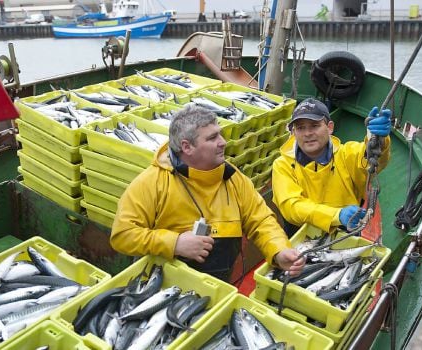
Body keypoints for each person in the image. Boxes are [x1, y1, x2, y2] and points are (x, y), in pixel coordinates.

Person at [111, 105, 305, 281]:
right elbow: (123, 235)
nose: (223, 142)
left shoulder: (233, 177)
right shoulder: (151, 182)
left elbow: (261, 220)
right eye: (212, 138)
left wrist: (279, 250)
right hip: (158, 287)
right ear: (187, 147)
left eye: (219, 134)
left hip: (216, 285)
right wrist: (174, 243)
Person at [272, 98, 392, 236]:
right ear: (293, 132)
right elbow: (291, 207)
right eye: (300, 128)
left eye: (314, 125)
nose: (307, 133)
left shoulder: (347, 154)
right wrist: (336, 215)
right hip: (300, 235)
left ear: (330, 127)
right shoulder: (282, 165)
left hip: (345, 231)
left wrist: (380, 140)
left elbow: (371, 158)